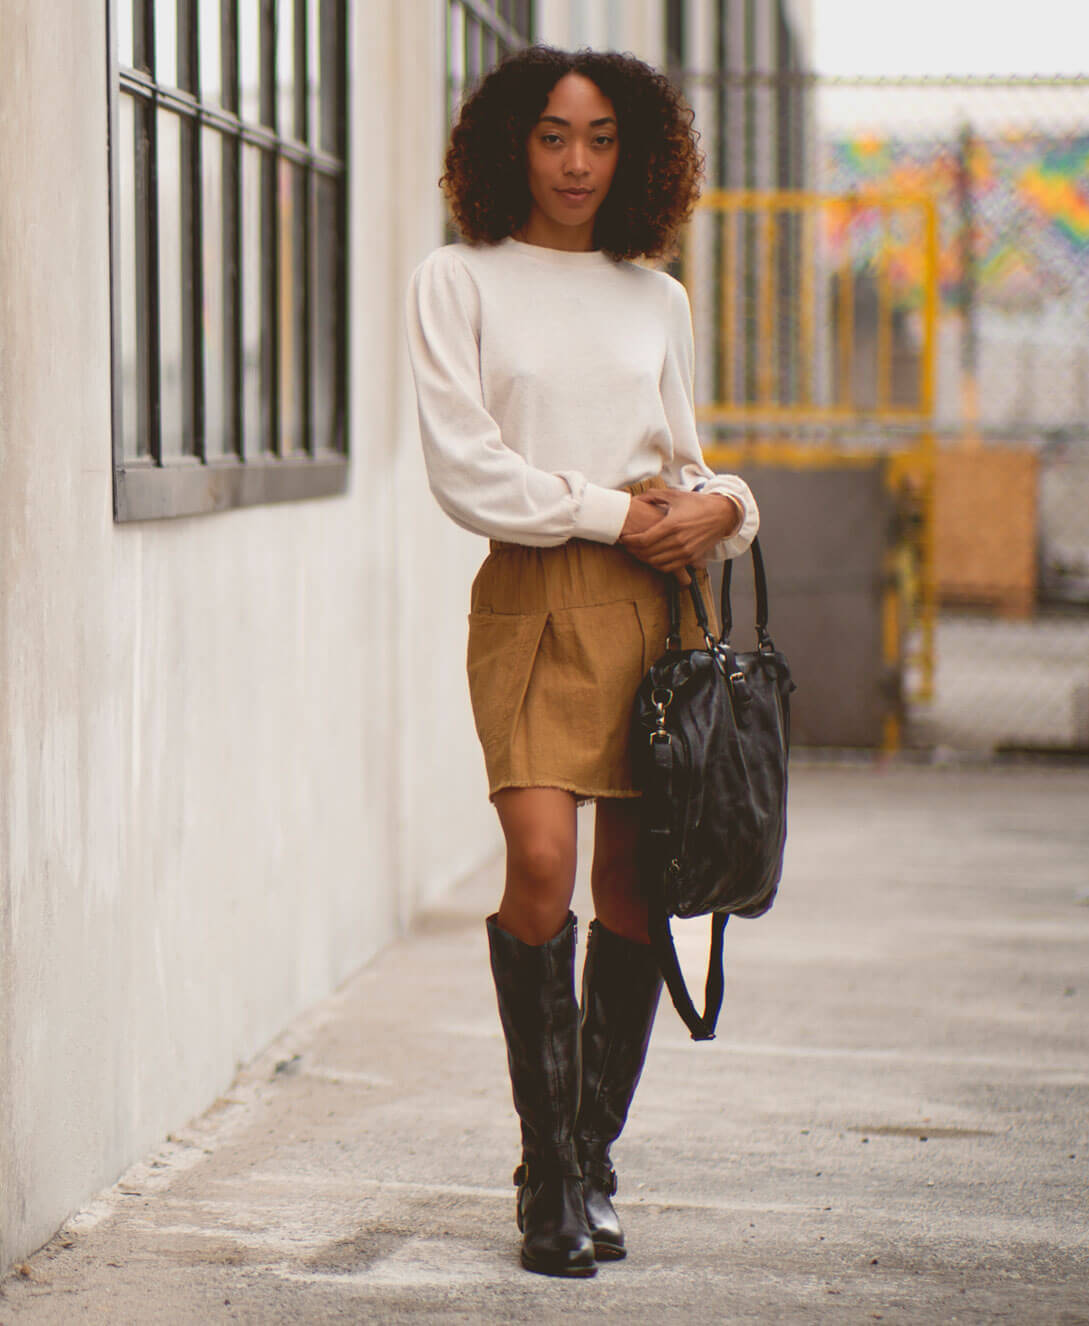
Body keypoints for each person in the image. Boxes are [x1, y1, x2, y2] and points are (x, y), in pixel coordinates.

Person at [404, 45, 759, 1279]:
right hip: (534, 599)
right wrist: (621, 514)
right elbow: (467, 469)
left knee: (631, 893)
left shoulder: (653, 295)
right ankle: (545, 1162)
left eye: (601, 137)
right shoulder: (457, 280)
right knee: (541, 863)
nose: (574, 162)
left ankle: (582, 1166)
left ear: (637, 153)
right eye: (554, 135)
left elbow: (688, 457)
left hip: (657, 605)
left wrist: (731, 506)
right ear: (512, 143)